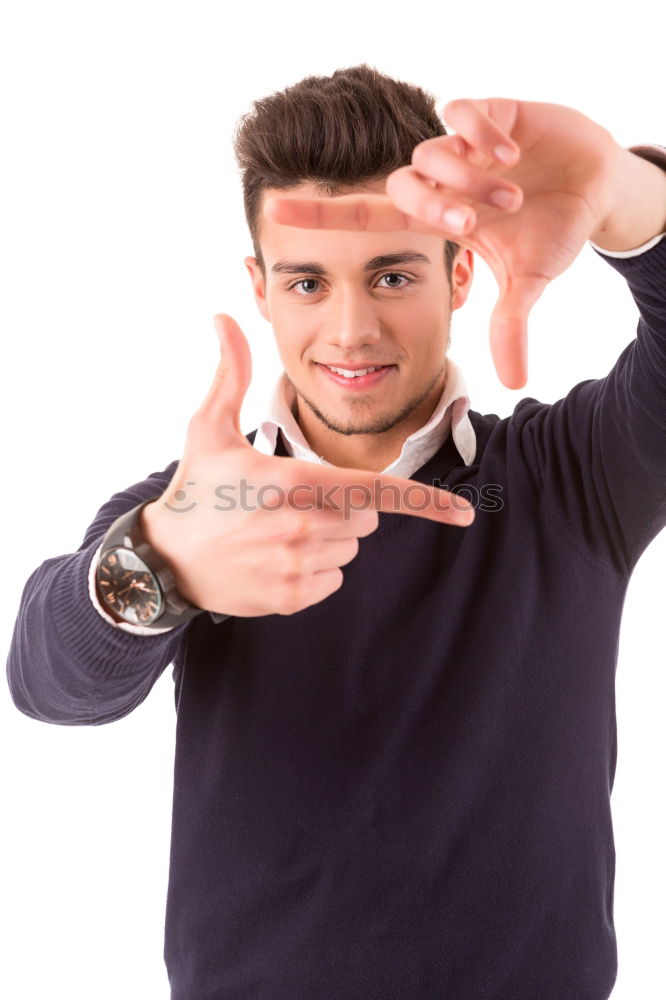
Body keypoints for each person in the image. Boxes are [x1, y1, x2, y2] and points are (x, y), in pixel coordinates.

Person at [6, 63, 666, 1000]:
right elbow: (48, 684)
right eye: (308, 281)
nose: (352, 329)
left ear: (461, 272)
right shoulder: (197, 508)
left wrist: (627, 194)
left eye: (393, 274)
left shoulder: (573, 478)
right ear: (262, 290)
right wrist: (162, 564)